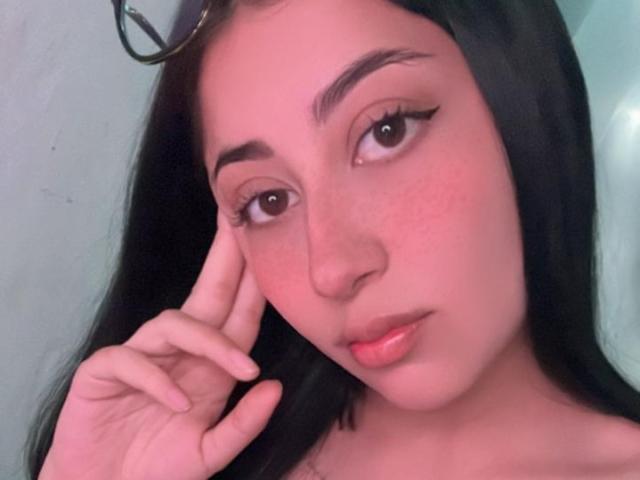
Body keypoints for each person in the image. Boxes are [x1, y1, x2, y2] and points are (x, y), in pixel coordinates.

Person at [25, 0, 640, 478]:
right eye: (267, 200)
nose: (333, 269)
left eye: (386, 130)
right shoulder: (205, 446)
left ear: (522, 96)